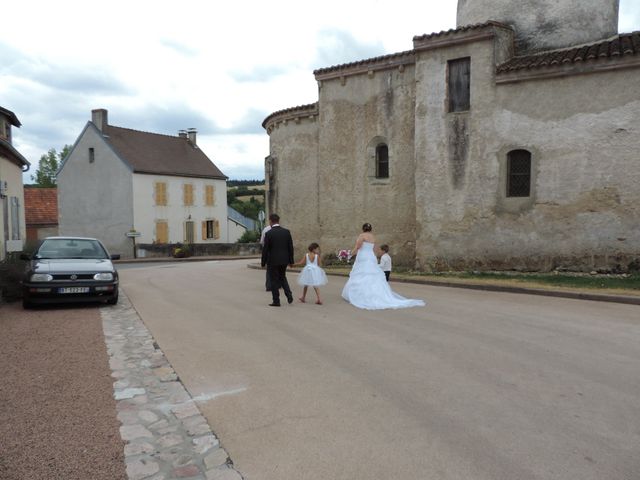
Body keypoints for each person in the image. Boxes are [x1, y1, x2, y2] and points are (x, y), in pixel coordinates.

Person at [341, 223, 425, 310]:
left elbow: (358, 247)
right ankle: (375, 294)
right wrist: (374, 257)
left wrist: (349, 254)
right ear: (371, 229)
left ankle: (361, 295)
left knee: (361, 275)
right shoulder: (373, 237)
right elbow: (374, 249)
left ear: (363, 229)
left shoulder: (362, 236)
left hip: (363, 257)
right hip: (370, 257)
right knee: (372, 276)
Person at [261, 213, 294, 307]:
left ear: (271, 221)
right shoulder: (286, 232)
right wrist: (291, 261)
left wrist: (263, 262)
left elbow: (265, 249)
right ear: (278, 221)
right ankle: (289, 295)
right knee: (283, 277)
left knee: (274, 280)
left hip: (273, 261)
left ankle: (276, 301)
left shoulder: (269, 233)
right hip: (284, 260)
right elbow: (290, 248)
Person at [260, 224, 272, 291]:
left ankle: (269, 286)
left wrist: (263, 261)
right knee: (279, 270)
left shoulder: (265, 229)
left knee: (269, 270)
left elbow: (262, 242)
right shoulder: (281, 229)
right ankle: (279, 284)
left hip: (268, 253)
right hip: (278, 253)